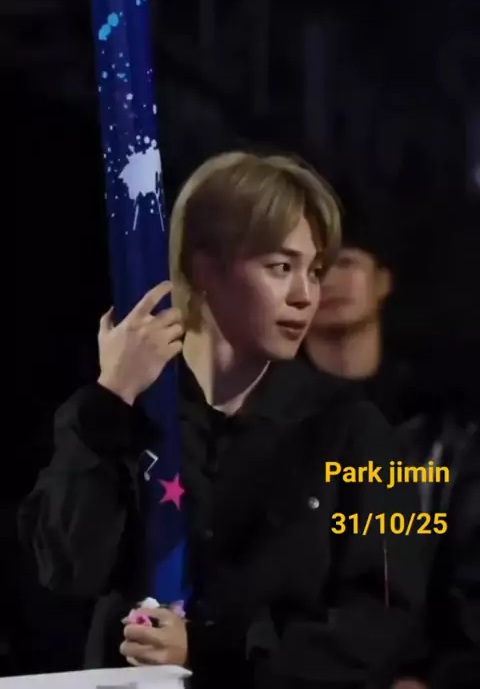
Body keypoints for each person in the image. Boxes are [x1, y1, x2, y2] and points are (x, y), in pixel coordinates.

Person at [19, 151, 425, 689]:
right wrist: (111, 396)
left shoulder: (357, 429)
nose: (306, 296)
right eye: (281, 267)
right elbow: (65, 570)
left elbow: (384, 619)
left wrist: (213, 650)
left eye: (315, 271)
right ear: (206, 269)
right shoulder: (121, 412)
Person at [304, 203, 480, 688]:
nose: (330, 281)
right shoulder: (270, 424)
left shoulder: (445, 431)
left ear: (382, 281)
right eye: (315, 269)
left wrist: (440, 677)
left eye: (346, 262)